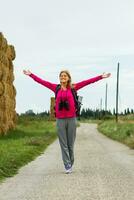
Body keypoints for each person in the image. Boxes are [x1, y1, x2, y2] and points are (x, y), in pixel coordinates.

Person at [23, 69, 111, 174]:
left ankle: (71, 161)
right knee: (63, 144)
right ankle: (67, 164)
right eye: (61, 76)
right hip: (60, 120)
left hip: (71, 119)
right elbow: (42, 82)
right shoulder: (56, 88)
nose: (63, 77)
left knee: (70, 144)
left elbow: (88, 82)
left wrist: (101, 77)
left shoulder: (73, 87)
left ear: (68, 78)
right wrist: (31, 75)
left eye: (65, 76)